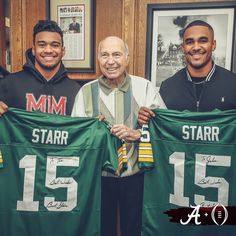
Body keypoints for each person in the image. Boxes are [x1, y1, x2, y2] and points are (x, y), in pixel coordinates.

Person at [71, 36, 166, 236]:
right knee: (99, 228)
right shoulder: (85, 92)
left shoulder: (145, 87)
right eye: (104, 55)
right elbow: (76, 141)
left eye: (116, 54)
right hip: (97, 179)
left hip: (136, 176)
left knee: (134, 228)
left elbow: (162, 131)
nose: (110, 61)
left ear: (127, 58)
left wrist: (137, 133)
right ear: (98, 58)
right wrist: (93, 132)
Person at [138, 20, 236, 123]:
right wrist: (146, 119)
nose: (196, 47)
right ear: (183, 48)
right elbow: (160, 127)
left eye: (203, 41)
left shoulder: (233, 84)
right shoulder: (168, 87)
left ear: (213, 45)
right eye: (189, 42)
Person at [0, 20, 81, 116]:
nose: (48, 50)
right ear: (33, 50)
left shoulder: (76, 91)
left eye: (55, 45)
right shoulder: (9, 84)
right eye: (42, 45)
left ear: (63, 51)